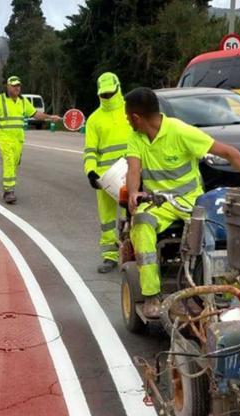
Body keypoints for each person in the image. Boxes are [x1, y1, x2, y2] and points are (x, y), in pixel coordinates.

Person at [124, 87, 240, 318]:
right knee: (141, 223)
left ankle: (232, 287)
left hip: (191, 202)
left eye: (127, 117)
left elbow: (230, 153)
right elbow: (134, 169)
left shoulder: (180, 131)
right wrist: (133, 192)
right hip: (158, 203)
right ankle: (151, 295)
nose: (128, 122)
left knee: (216, 235)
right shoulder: (135, 138)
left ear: (135, 117)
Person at [0, 76, 61, 204]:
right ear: (8, 87)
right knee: (8, 161)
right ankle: (9, 191)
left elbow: (35, 114)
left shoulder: (23, 101)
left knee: (14, 164)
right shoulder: (0, 100)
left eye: (18, 85)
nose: (17, 88)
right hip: (5, 138)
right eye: (14, 86)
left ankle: (8, 188)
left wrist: (50, 117)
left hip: (18, 140)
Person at [83, 72, 132, 273]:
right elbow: (90, 150)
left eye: (110, 93)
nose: (107, 97)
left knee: (136, 212)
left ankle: (136, 253)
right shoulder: (94, 120)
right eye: (104, 94)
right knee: (107, 219)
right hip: (105, 178)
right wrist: (91, 172)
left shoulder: (130, 111)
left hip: (131, 171)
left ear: (118, 88)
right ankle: (110, 256)